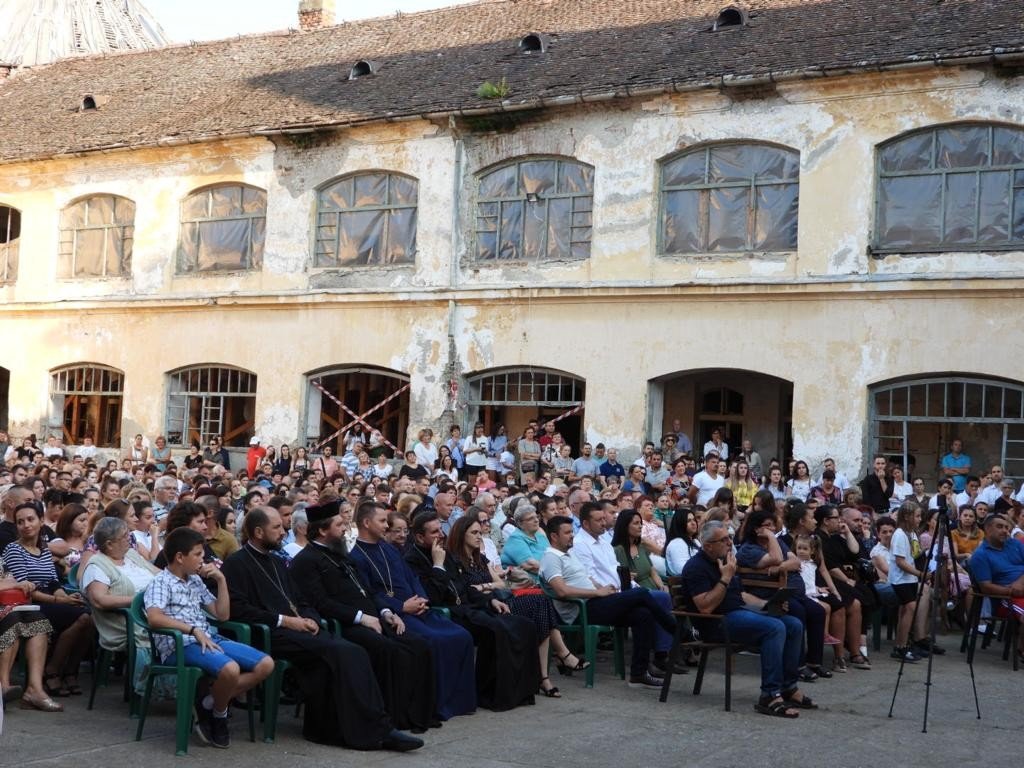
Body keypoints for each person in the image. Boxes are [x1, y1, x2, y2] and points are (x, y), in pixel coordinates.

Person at [220, 507, 424, 751]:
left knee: (348, 652)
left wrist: (310, 618)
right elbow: (240, 610)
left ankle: (331, 728)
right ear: (257, 531)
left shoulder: (276, 560)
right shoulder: (236, 564)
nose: (283, 531)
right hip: (270, 634)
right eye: (276, 527)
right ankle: (374, 731)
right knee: (350, 653)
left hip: (300, 630)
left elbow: (301, 599)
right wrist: (288, 621)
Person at [290, 500, 438, 733]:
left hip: (374, 618)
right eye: (339, 524)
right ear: (322, 530)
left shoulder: (341, 555)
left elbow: (368, 592)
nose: (345, 528)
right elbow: (322, 603)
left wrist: (388, 612)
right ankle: (390, 719)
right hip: (346, 625)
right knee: (387, 650)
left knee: (419, 645)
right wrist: (361, 617)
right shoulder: (305, 561)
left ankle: (417, 716)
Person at [145, 527, 274, 748]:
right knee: (230, 669)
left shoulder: (195, 580)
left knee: (266, 664)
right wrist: (192, 630)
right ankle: (220, 716)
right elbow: (154, 618)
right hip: (180, 644)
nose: (203, 560)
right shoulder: (161, 582)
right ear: (179, 557)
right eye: (198, 555)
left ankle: (209, 704)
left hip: (208, 638)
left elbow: (222, 614)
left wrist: (222, 581)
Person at [348, 502, 477, 720]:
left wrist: (421, 598)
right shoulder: (356, 557)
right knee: (434, 641)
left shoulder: (388, 548)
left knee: (462, 635)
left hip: (418, 608)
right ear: (366, 523)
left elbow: (412, 577)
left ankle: (459, 703)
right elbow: (369, 594)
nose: (386, 526)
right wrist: (401, 606)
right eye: (382, 521)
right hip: (398, 614)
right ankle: (438, 704)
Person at [405, 511, 539, 710]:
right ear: (419, 537)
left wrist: (490, 600)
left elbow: (464, 586)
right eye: (434, 532)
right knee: (495, 629)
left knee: (523, 625)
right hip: (449, 613)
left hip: (470, 605)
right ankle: (490, 694)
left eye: (441, 530)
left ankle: (521, 691)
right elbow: (431, 596)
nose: (441, 535)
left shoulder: (445, 553)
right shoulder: (413, 560)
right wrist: (438, 566)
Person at [681, 520, 815, 717]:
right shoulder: (696, 567)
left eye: (730, 538)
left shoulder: (726, 561)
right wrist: (725, 578)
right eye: (724, 539)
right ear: (708, 545)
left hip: (737, 613)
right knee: (774, 628)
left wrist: (767, 604)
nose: (729, 543)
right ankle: (769, 695)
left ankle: (788, 687)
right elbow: (705, 607)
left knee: (793, 624)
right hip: (716, 623)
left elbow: (740, 596)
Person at [541, 515, 677, 689]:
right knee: (641, 593)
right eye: (567, 533)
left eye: (572, 532)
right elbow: (561, 590)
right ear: (554, 536)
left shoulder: (569, 554)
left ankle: (638, 674)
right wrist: (596, 592)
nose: (572, 536)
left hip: (595, 602)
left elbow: (585, 578)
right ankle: (677, 630)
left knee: (643, 615)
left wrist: (602, 588)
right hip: (582, 610)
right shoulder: (551, 558)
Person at [3, 501, 94, 697]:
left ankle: (69, 672)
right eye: (20, 522)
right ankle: (53, 670)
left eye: (30, 519)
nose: (26, 525)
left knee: (89, 616)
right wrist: (58, 601)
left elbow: (53, 581)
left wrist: (64, 596)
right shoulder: (14, 550)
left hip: (50, 598)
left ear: (41, 521)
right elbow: (25, 588)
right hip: (30, 604)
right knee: (83, 618)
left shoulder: (43, 548)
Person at [736, 510, 830, 681]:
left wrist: (780, 567)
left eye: (773, 525)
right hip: (769, 593)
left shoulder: (778, 542)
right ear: (756, 529)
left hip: (791, 591)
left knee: (818, 611)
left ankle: (814, 663)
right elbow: (776, 557)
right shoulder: (749, 549)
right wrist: (772, 540)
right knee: (798, 613)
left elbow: (795, 562)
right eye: (767, 526)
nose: (772, 529)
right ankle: (798, 665)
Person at [82, 517, 159, 655]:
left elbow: (159, 574)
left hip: (156, 608)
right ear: (109, 544)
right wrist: (139, 600)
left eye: (128, 533)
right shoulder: (97, 565)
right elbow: (99, 600)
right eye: (124, 536)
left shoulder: (130, 554)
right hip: (131, 622)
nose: (130, 538)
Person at [0, 561, 58, 711]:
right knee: (12, 620)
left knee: (37, 619)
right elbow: (11, 583)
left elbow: (11, 579)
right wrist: (12, 585)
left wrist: (21, 585)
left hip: (6, 605)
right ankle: (3, 686)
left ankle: (34, 690)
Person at [969, 513, 1024, 657]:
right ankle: (1021, 650)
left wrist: (1020, 582)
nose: (1005, 530)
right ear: (987, 529)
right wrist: (1012, 591)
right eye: (999, 527)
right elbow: (986, 587)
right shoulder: (980, 555)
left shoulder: (1014, 544)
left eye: (1007, 527)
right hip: (1005, 599)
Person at [664, 508, 700, 577]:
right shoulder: (676, 543)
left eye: (694, 520)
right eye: (688, 521)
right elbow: (681, 569)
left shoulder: (696, 541)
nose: (693, 523)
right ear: (680, 524)